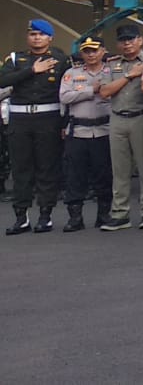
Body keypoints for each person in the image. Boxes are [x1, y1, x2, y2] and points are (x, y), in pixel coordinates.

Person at [0, 18, 71, 234]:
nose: (36, 38)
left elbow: (66, 93)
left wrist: (64, 124)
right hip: (20, 119)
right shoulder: (15, 58)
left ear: (50, 38)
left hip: (48, 118)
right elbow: (3, 81)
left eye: (41, 34)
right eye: (32, 34)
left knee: (46, 168)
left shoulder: (60, 59)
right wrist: (32, 70)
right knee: (21, 170)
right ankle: (21, 217)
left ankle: (45, 216)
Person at [99, 25, 143, 231]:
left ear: (140, 40)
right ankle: (120, 213)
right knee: (120, 169)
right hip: (117, 118)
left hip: (142, 116)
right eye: (123, 40)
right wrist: (130, 76)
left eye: (131, 39)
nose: (127, 43)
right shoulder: (112, 64)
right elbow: (105, 91)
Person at [59, 37, 113, 232]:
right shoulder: (71, 73)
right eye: (86, 51)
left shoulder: (111, 71)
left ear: (103, 51)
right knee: (75, 176)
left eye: (94, 50)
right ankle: (75, 217)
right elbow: (64, 97)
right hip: (78, 131)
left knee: (104, 173)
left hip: (104, 130)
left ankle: (104, 214)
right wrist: (92, 90)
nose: (90, 54)